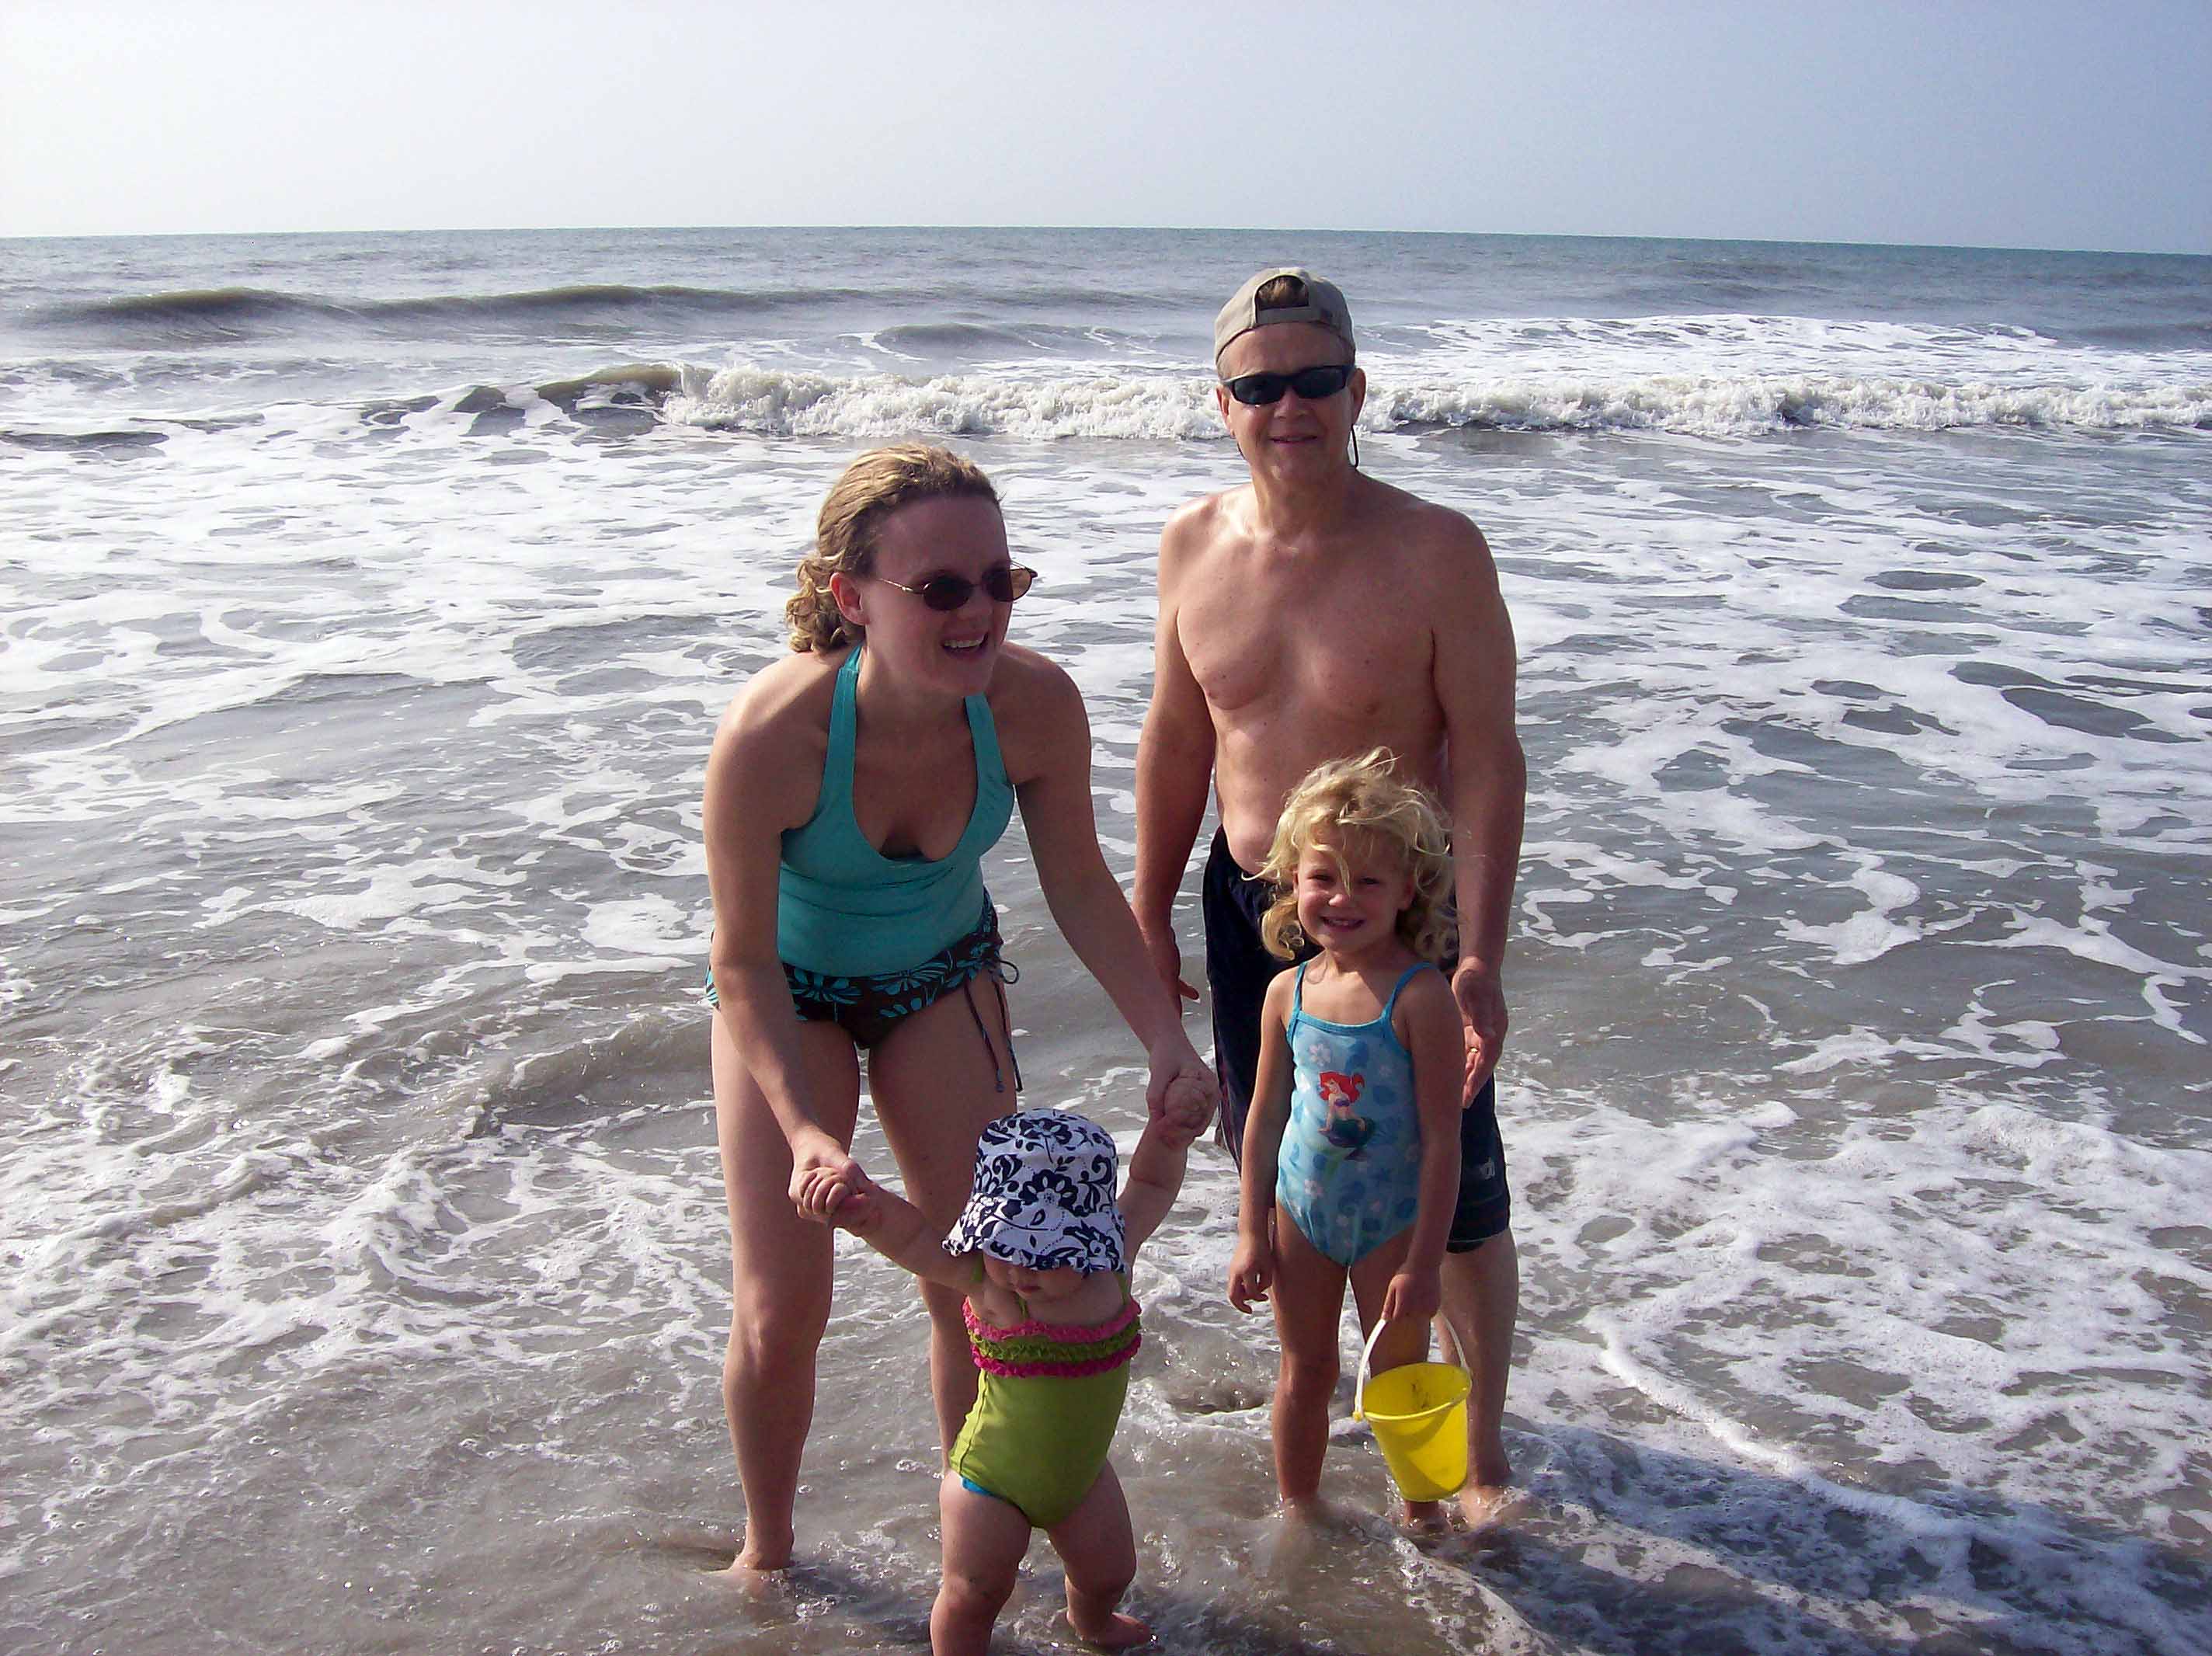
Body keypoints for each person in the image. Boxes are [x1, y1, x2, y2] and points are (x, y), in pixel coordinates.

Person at [703, 444, 1216, 1574]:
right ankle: (767, 1554)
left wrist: (1166, 1038)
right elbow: (738, 962)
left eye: (999, 580)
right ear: (850, 596)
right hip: (787, 998)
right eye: (940, 588)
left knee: (982, 1287)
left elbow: (1079, 884)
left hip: (943, 977)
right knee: (783, 1307)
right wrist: (804, 1130)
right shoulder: (772, 735)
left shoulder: (1033, 704)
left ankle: (970, 1557)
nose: (978, 611)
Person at [1133, 269, 1526, 1525]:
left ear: (1357, 391)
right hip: (1255, 907)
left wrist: (1479, 953)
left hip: (1405, 919)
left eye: (1314, 380)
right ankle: (1314, 1405)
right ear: (1223, 404)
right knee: (1295, 1159)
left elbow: (1489, 755)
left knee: (1455, 1189)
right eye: (1260, 387)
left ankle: (1480, 1449)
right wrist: (1147, 912)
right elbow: (1175, 741)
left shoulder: (1436, 549)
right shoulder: (1190, 546)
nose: (1288, 406)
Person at [801, 1103, 1205, 1654]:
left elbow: (1152, 1183)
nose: (1020, 1270)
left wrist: (1169, 1136)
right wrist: (864, 1210)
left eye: (1045, 1253)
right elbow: (915, 1239)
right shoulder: (987, 1287)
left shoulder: (1114, 1265)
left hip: (1081, 1475)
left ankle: (1091, 1623)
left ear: (1090, 1239)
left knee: (1110, 1574)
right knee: (974, 1595)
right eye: (1005, 1246)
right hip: (989, 1481)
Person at [1226, 752, 1465, 1526]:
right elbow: (1264, 1117)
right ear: (1292, 882)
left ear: (1407, 890)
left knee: (1398, 1377)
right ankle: (1298, 1514)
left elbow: (1443, 1140)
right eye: (1322, 877)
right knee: (1305, 1371)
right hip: (1303, 1212)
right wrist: (1250, 1231)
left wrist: (1425, 1261)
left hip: (1391, 1221)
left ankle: (1425, 1521)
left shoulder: (1420, 997)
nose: (1341, 897)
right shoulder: (1286, 992)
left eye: (1368, 881)